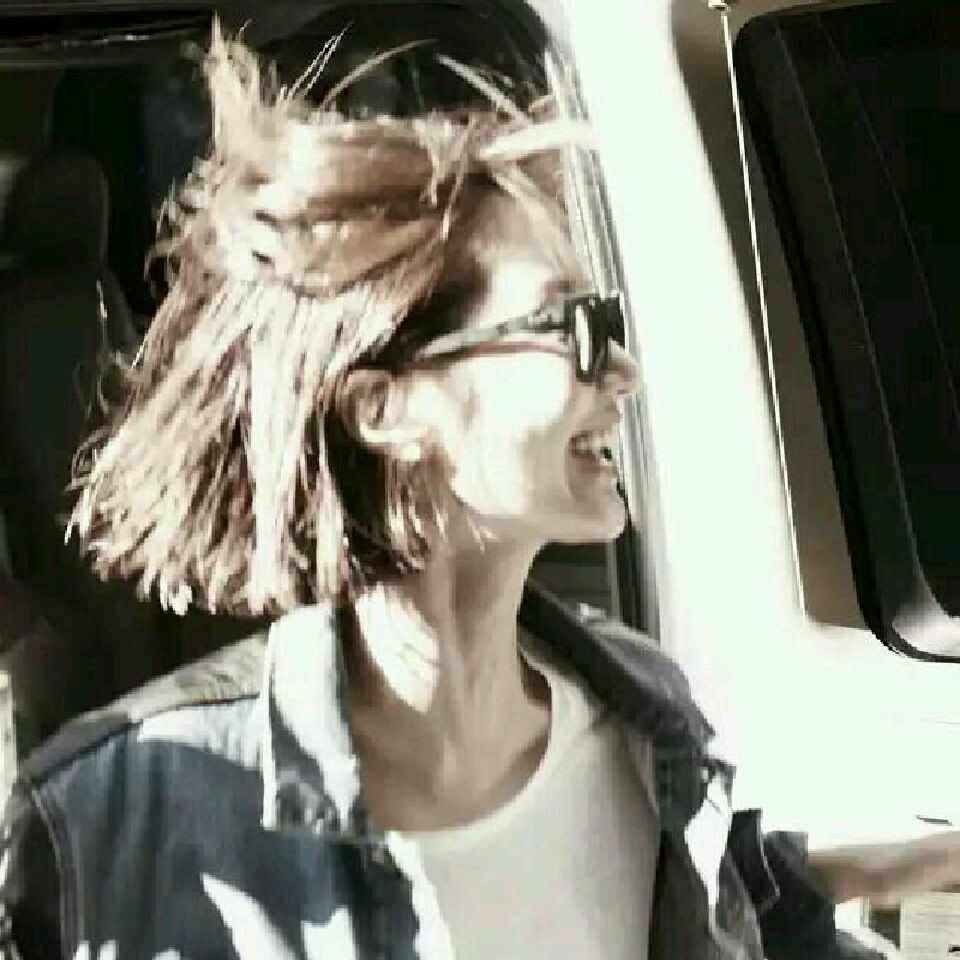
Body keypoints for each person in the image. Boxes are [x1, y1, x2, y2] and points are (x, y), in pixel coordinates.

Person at [0, 23, 904, 960]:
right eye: (571, 326)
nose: (623, 372)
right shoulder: (108, 822)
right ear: (385, 408)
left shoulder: (652, 731)